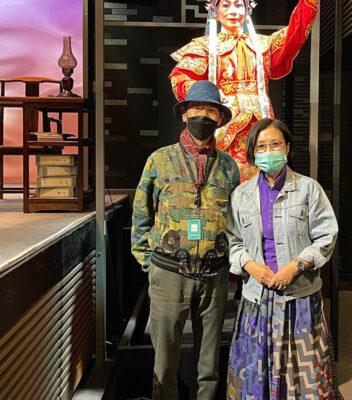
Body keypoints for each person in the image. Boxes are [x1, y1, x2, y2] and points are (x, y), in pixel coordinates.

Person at [131, 80, 240, 399]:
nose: (203, 116)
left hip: (214, 276)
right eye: (197, 109)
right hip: (168, 273)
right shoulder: (159, 160)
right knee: (165, 361)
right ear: (184, 114)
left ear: (220, 118)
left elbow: (235, 219)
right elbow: (141, 211)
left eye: (210, 110)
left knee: (208, 365)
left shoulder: (229, 167)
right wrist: (147, 262)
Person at [225, 118, 339, 399]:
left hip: (299, 295)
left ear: (287, 147)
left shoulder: (309, 189)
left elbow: (327, 235)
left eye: (275, 143)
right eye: (261, 146)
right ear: (253, 153)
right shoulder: (241, 195)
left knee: (304, 378)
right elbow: (233, 240)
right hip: (257, 297)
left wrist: (296, 266)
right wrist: (250, 266)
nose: (268, 151)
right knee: (253, 374)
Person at [170, 0, 319, 182]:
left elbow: (295, 33)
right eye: (226, 5)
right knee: (219, 179)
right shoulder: (205, 47)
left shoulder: (263, 46)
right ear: (214, 10)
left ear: (247, 9)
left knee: (264, 179)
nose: (233, 11)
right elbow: (180, 78)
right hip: (223, 124)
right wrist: (210, 100)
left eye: (238, 5)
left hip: (260, 124)